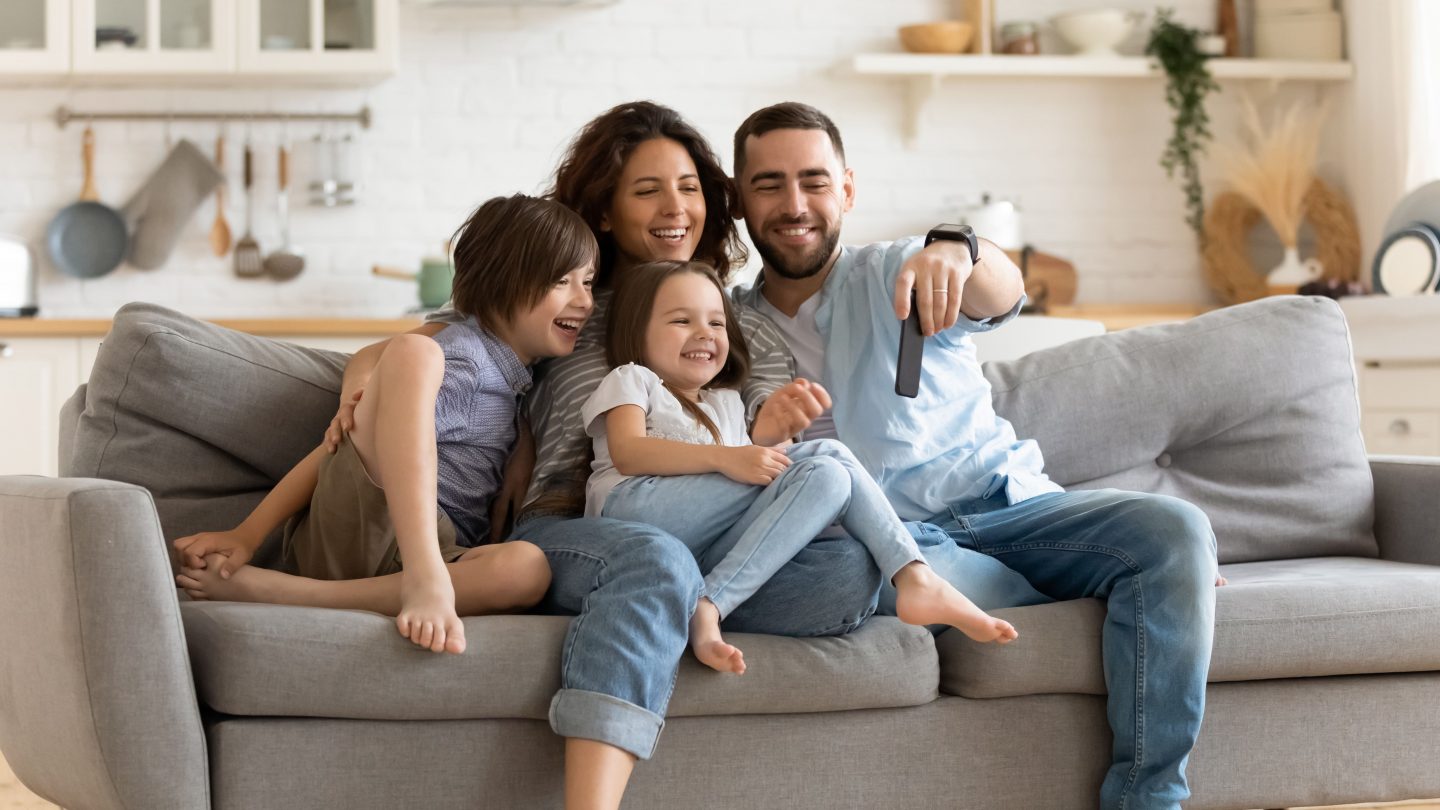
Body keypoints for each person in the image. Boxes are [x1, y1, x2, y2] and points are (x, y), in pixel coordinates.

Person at [324, 102, 974, 809]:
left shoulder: (733, 319)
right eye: (647, 191)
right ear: (604, 211)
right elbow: (434, 343)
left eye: (691, 188)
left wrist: (776, 428)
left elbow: (780, 453)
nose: (676, 208)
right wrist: (366, 371)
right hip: (579, 525)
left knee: (847, 574)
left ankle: (694, 603)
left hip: (719, 529)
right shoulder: (565, 299)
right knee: (652, 560)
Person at [728, 101, 1223, 810]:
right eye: (769, 184)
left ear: (848, 188)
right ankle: (1130, 587)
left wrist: (959, 248)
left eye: (814, 180)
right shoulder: (727, 330)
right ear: (739, 198)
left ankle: (1149, 799)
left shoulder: (902, 267)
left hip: (1014, 507)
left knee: (1176, 531)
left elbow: (1002, 290)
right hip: (897, 547)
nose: (794, 203)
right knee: (866, 571)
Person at [171, 193, 595, 655]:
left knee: (528, 569)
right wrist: (247, 534)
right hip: (371, 524)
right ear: (501, 282)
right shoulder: (465, 358)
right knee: (414, 352)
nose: (584, 301)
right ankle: (425, 576)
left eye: (589, 283)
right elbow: (338, 450)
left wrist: (523, 440)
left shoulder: (514, 379)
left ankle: (295, 594)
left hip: (427, 553)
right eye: (562, 282)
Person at [584, 260, 1018, 674]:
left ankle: (711, 604)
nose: (704, 333)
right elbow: (629, 452)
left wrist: (761, 449)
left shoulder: (727, 402)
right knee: (823, 457)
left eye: (716, 322)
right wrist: (727, 457)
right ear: (636, 331)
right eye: (682, 321)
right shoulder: (633, 378)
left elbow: (750, 495)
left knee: (827, 473)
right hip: (634, 513)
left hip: (703, 542)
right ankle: (914, 574)